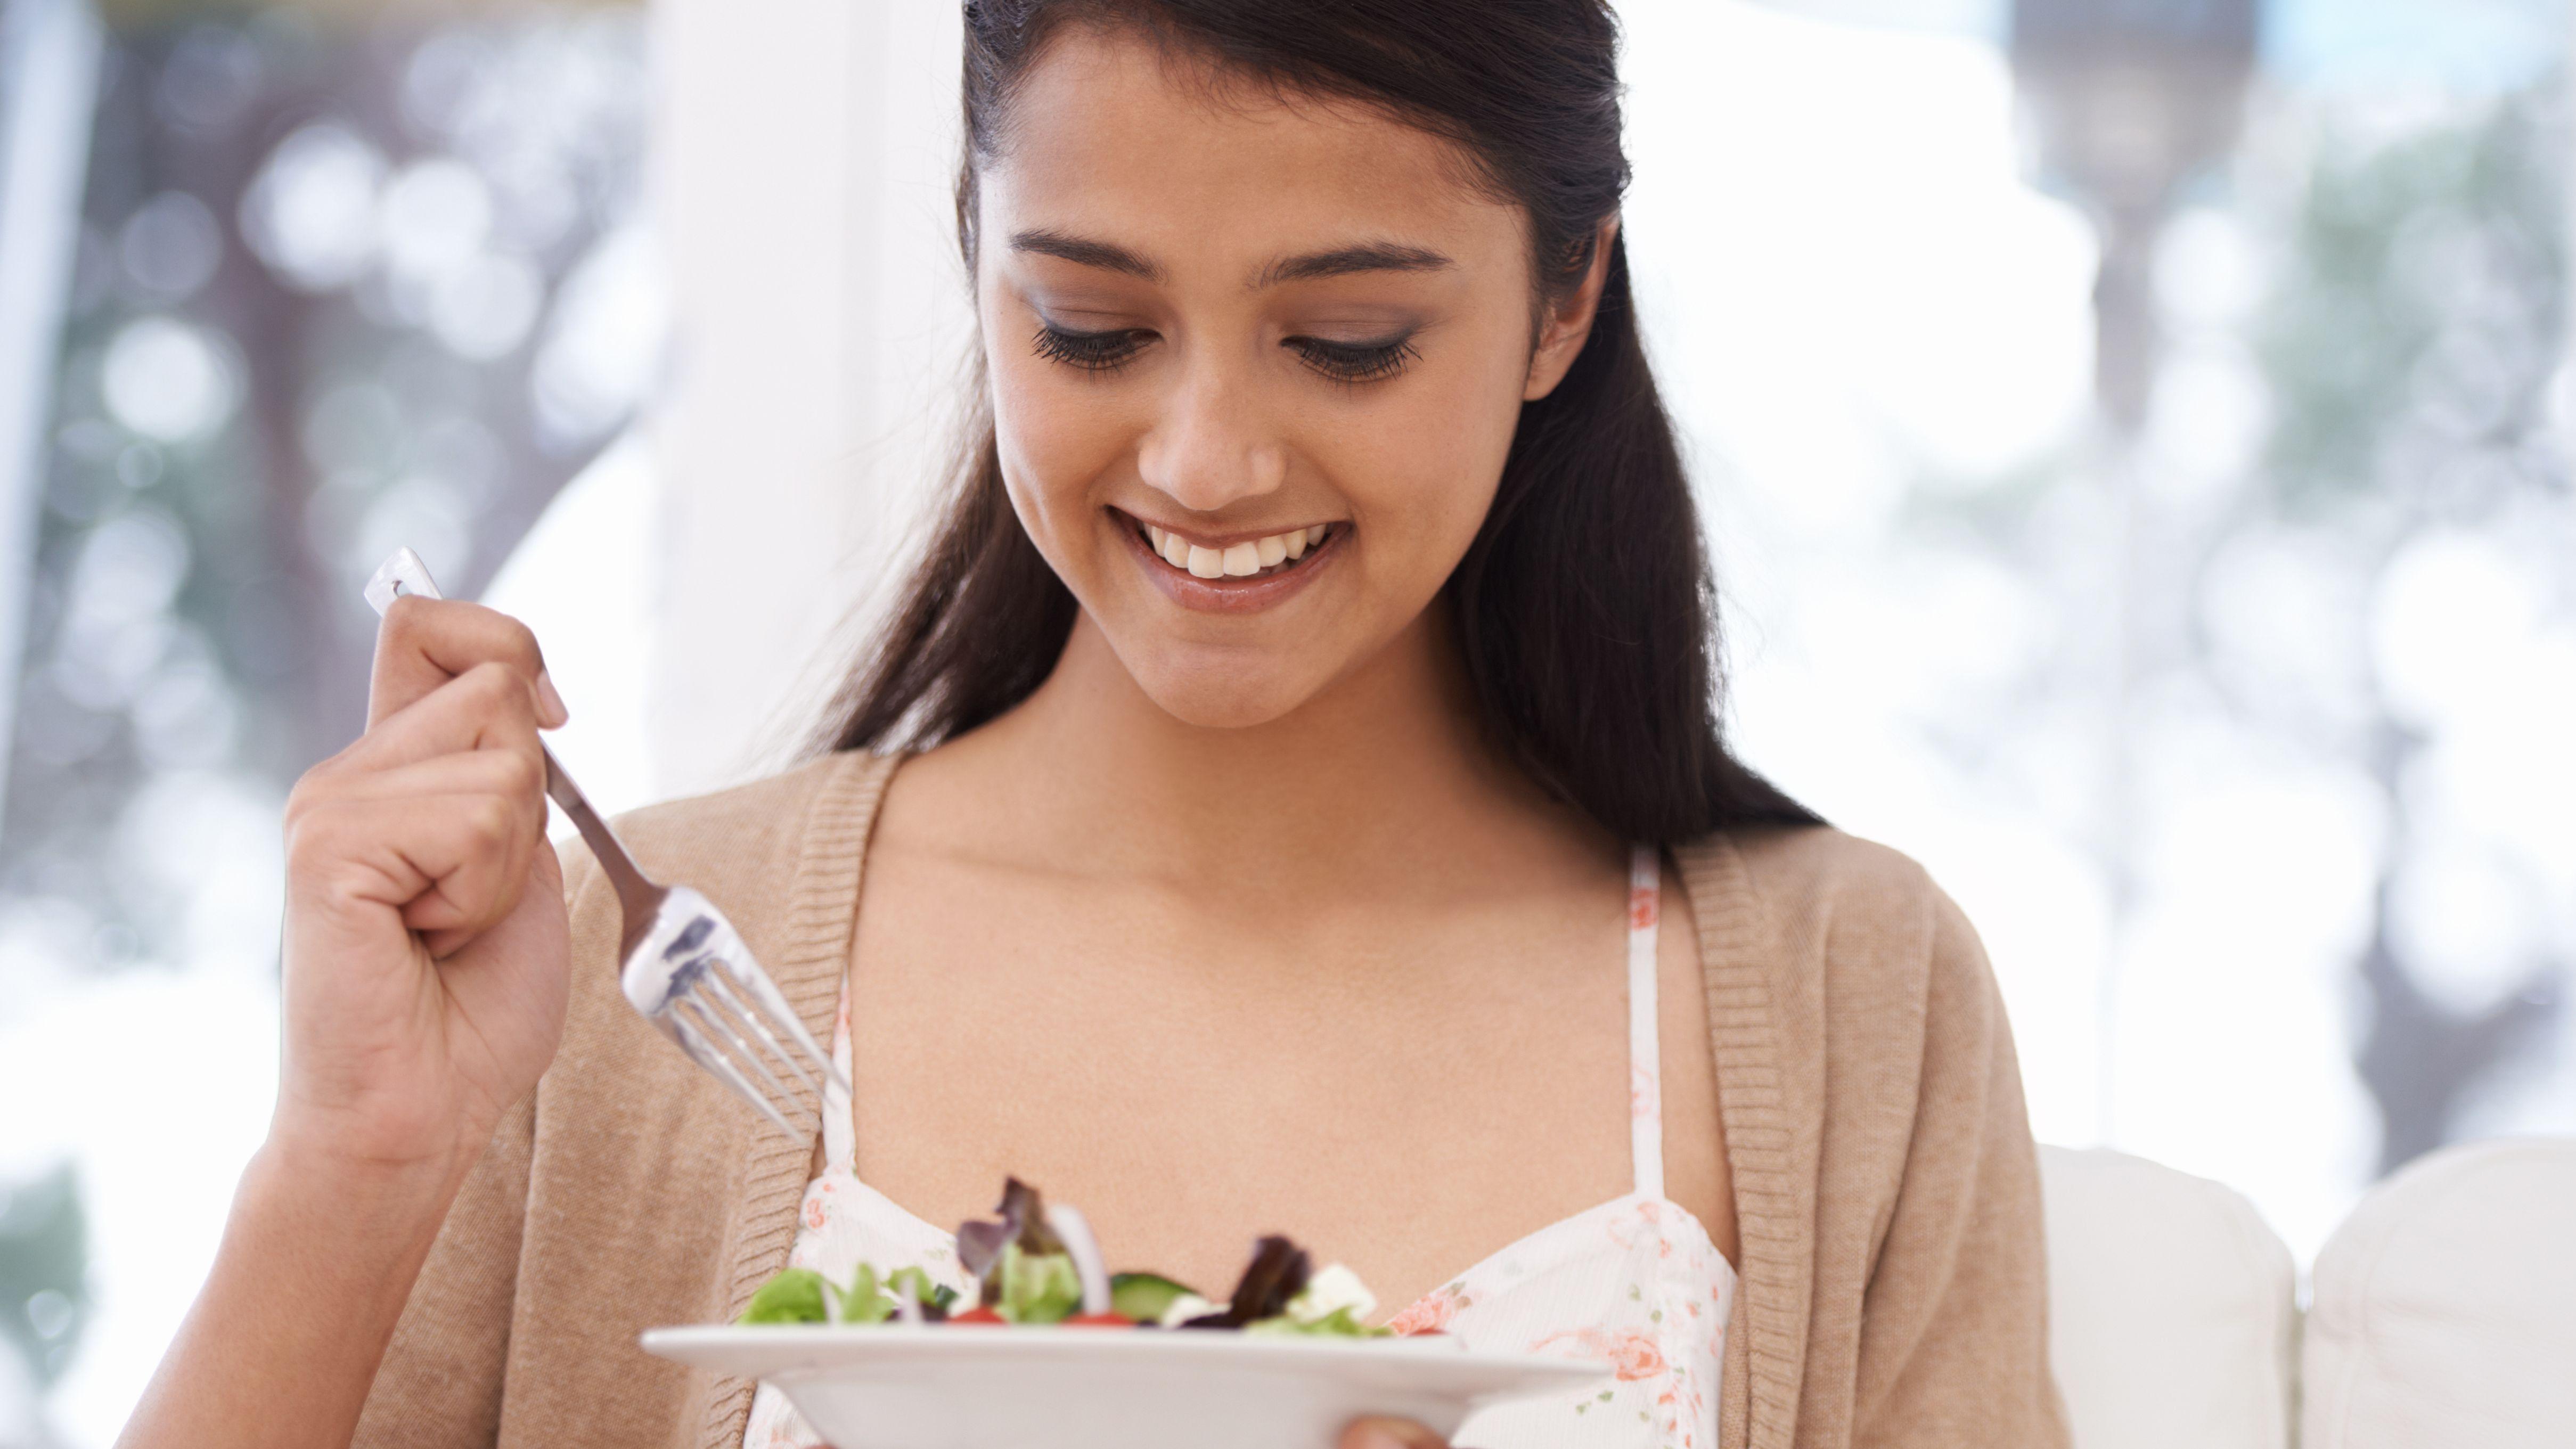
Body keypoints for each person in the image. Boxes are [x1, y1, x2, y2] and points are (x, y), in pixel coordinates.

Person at [117, 3, 2068, 1447]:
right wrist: (351, 1162)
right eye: (1093, 327)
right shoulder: (615, 968)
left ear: (1566, 300)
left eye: (1350, 339)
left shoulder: (1850, 1000)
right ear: (975, 248)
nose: (1208, 457)